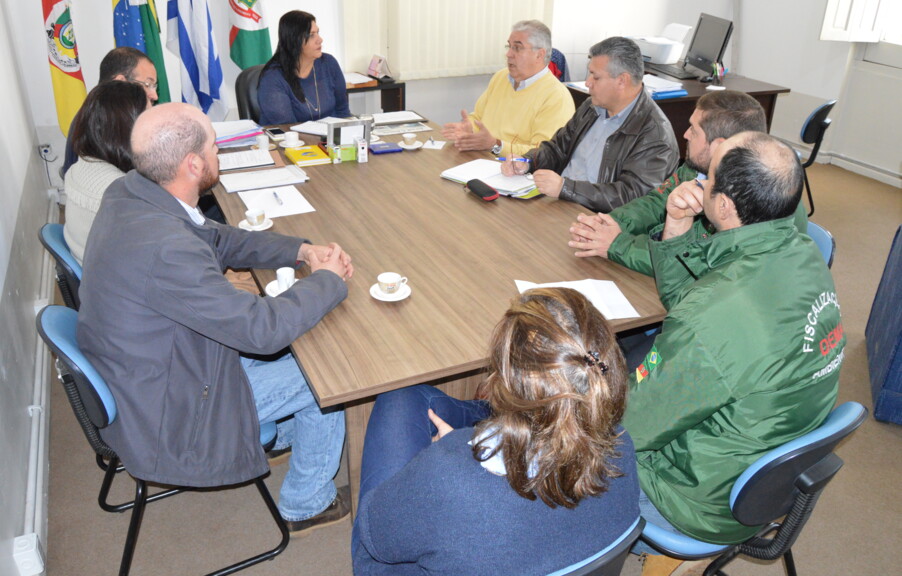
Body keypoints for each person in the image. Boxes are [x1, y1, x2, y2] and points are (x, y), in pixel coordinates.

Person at [76, 103, 354, 534]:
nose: (219, 154)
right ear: (193, 164)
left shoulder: (133, 191)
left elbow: (216, 238)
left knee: (304, 347)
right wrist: (328, 280)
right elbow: (261, 331)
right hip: (171, 413)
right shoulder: (166, 249)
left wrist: (299, 251)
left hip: (159, 366)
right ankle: (307, 500)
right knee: (328, 371)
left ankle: (281, 434)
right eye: (214, 146)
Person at [622, 132, 843, 576]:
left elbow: (630, 430)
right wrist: (678, 228)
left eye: (708, 177)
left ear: (722, 206)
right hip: (765, 468)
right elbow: (697, 305)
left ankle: (656, 554)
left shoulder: (715, 319)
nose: (700, 180)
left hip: (695, 499)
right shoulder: (798, 250)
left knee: (570, 439)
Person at [353, 288, 640, 575]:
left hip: (454, 499)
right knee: (410, 399)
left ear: (506, 380)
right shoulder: (621, 444)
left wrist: (453, 453)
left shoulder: (447, 476)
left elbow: (376, 540)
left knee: (397, 400)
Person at [568, 90, 806, 277]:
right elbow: (655, 203)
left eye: (694, 130)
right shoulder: (697, 167)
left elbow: (697, 265)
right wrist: (610, 223)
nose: (685, 134)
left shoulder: (748, 199)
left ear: (719, 145)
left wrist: (618, 244)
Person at [510, 37, 678, 212]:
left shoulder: (655, 135)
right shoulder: (592, 106)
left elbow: (631, 197)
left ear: (622, 80)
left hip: (596, 218)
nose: (588, 83)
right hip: (559, 202)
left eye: (595, 77)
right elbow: (557, 149)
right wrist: (527, 161)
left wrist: (565, 187)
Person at [441, 20, 575, 157]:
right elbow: (478, 117)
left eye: (517, 48)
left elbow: (543, 155)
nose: (508, 54)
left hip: (519, 172)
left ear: (539, 55)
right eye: (509, 46)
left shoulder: (556, 96)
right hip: (483, 159)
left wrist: (496, 145)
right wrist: (468, 128)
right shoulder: (501, 77)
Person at [62, 80, 149, 264]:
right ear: (127, 129)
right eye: (150, 118)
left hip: (95, 267)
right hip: (119, 283)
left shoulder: (83, 163)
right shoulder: (123, 195)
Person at [62, 46, 159, 173]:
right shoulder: (104, 124)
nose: (155, 96)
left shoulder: (90, 113)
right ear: (121, 82)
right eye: (147, 84)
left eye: (154, 86)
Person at [257, 10, 351, 125]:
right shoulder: (272, 78)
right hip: (289, 140)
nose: (320, 40)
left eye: (318, 33)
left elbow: (343, 112)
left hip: (329, 140)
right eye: (311, 35)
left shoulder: (328, 63)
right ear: (294, 40)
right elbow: (287, 128)